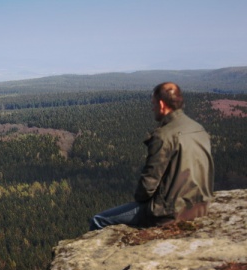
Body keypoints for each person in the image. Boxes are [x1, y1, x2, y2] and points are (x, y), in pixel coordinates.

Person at [89, 82, 214, 231]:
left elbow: (148, 185)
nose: (152, 108)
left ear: (161, 104)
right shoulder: (198, 129)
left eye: (153, 103)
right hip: (200, 207)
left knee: (99, 220)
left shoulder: (163, 135)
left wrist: (141, 200)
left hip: (169, 213)